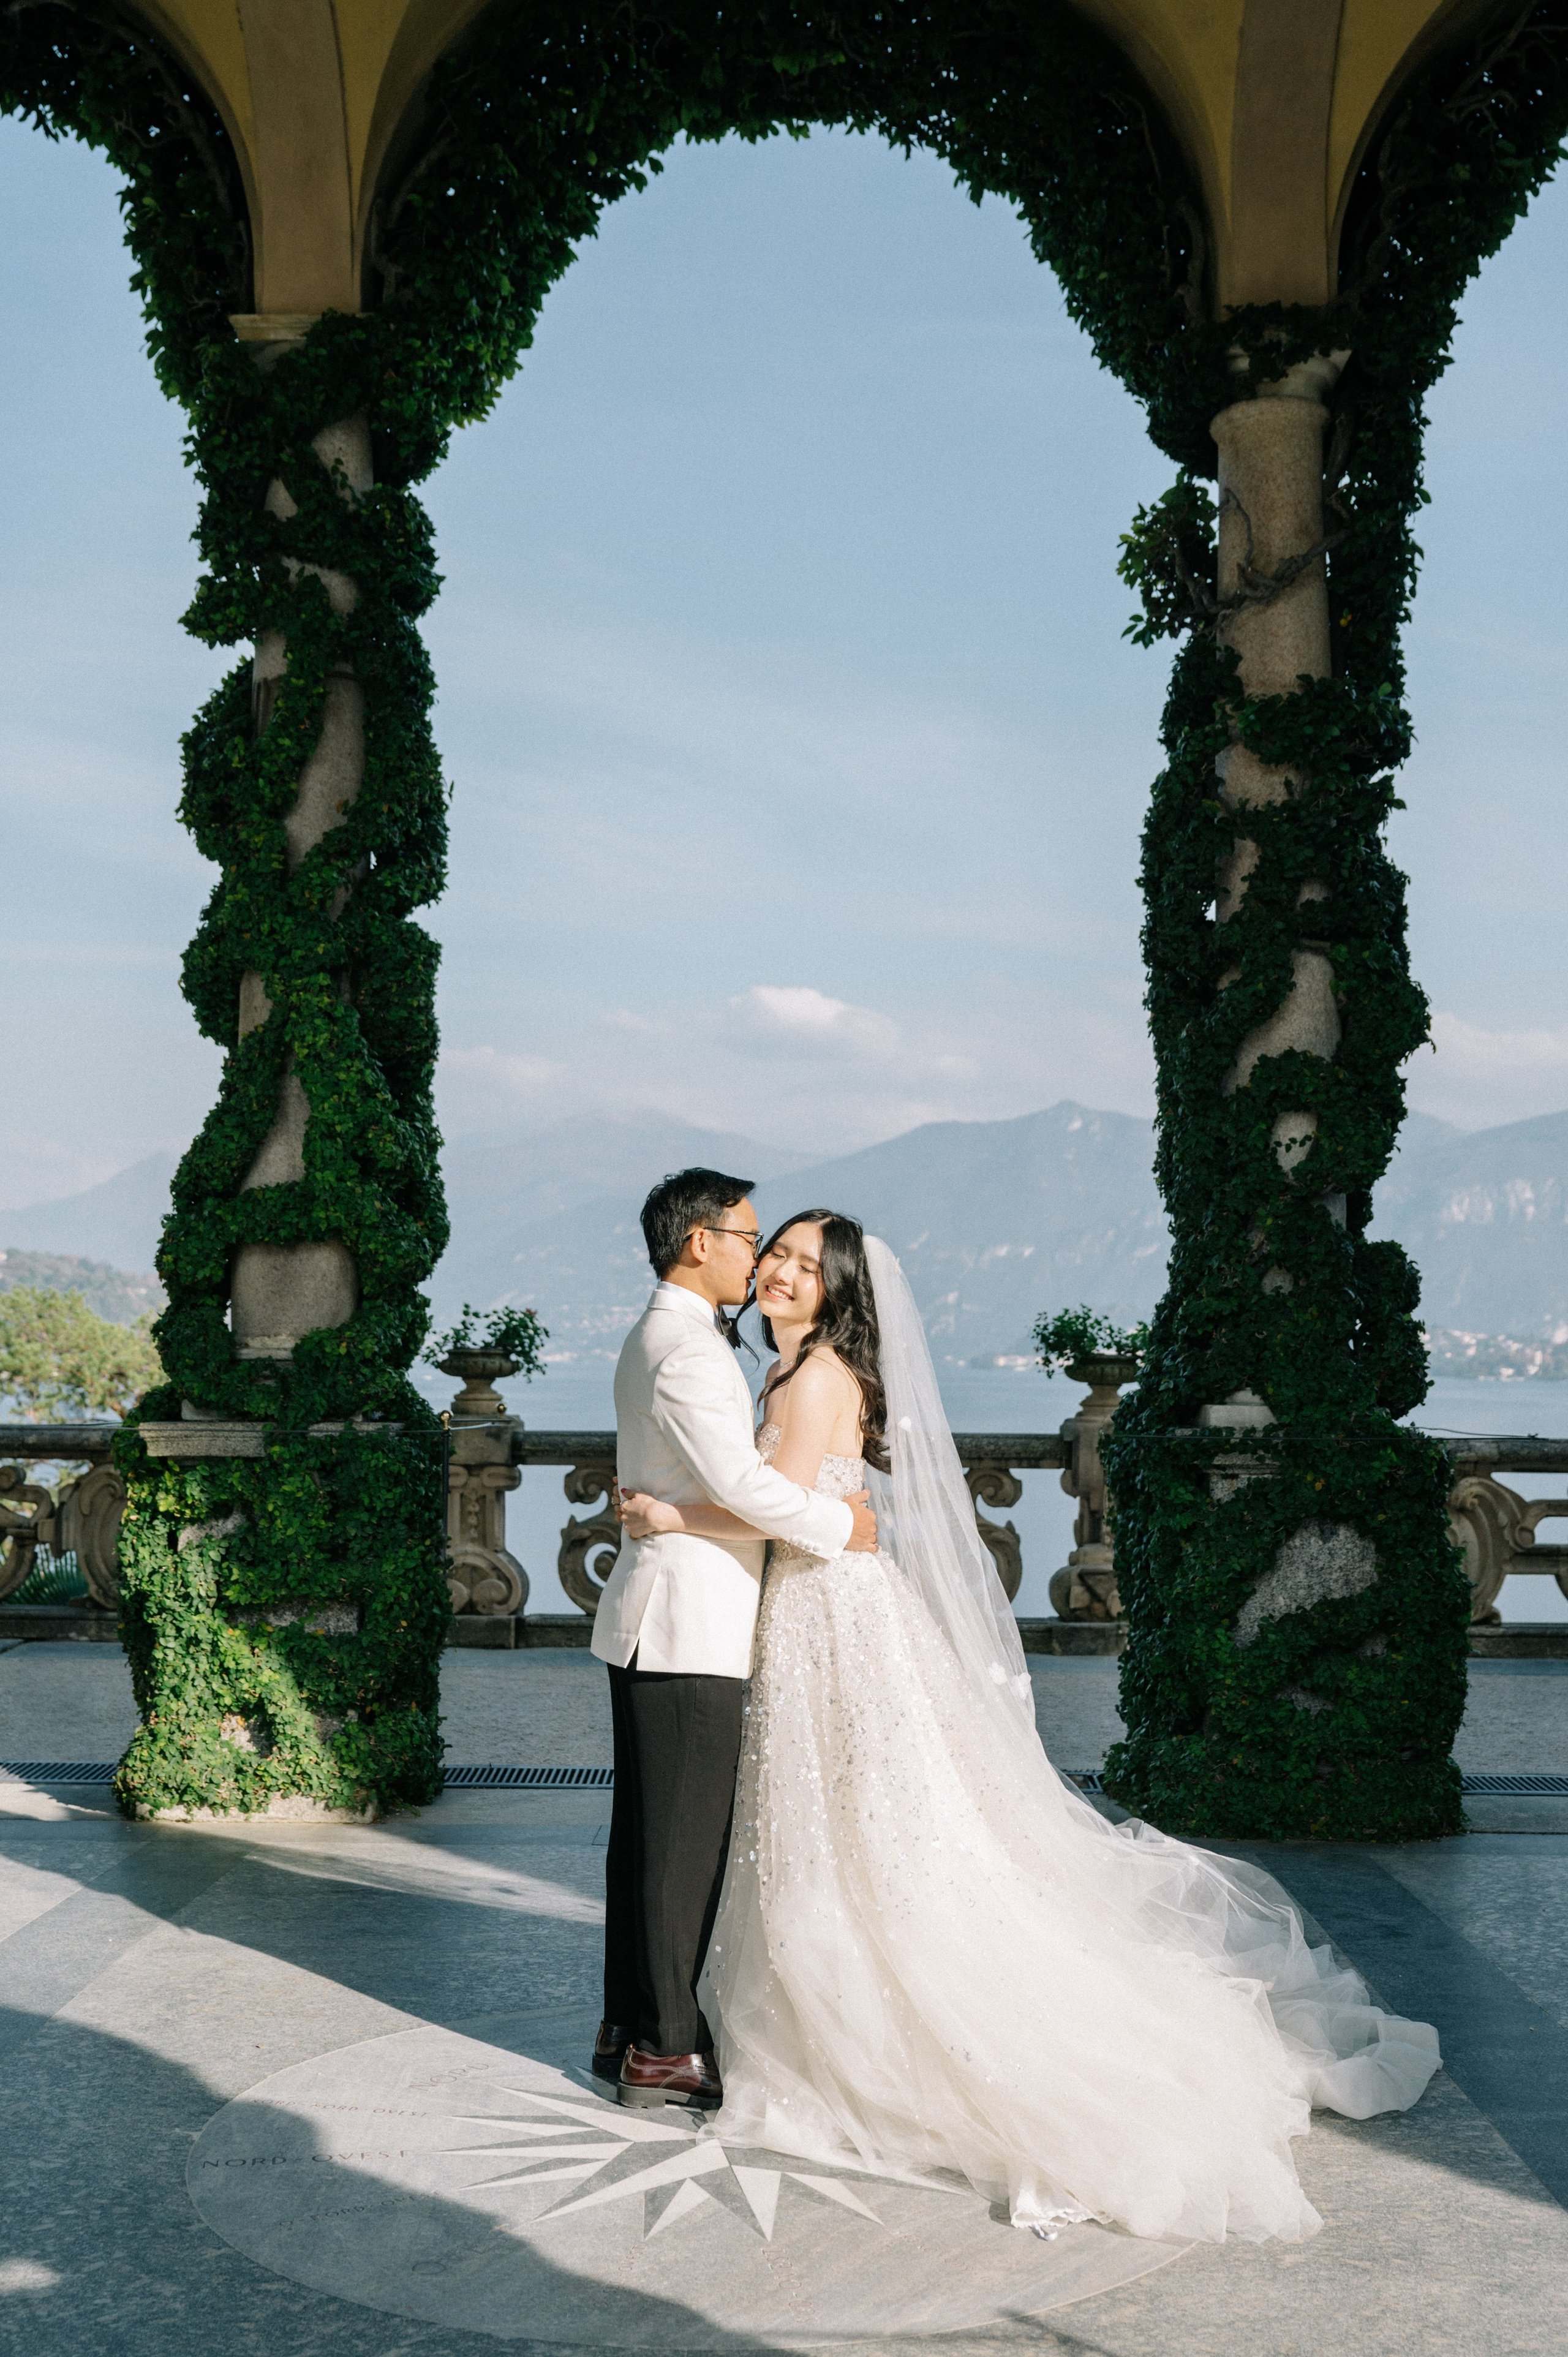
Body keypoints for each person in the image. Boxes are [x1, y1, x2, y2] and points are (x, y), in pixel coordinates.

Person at [617, 1212, 1442, 2245]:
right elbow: (825, 1498)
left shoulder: (814, 1376)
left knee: (858, 1825)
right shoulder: (804, 1373)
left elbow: (779, 1506)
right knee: (857, 1820)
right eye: (773, 1255)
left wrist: (670, 1516)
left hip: (831, 1616)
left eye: (801, 1264)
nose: (780, 1272)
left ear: (837, 1291)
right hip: (833, 1607)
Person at [591, 1169, 880, 2113]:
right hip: (689, 1624)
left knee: (649, 1841)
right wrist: (845, 1527)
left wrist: (667, 1511)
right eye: (752, 1238)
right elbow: (749, 1490)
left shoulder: (678, 1339)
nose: (759, 1258)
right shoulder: (692, 1353)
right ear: (698, 1243)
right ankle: (666, 2050)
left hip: (668, 1619)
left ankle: (630, 2026)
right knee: (680, 1851)